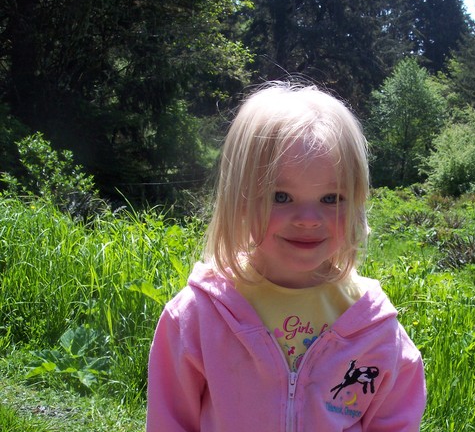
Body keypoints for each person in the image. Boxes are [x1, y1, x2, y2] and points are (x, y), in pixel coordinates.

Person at [146, 81, 427, 431]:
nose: (308, 220)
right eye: (280, 196)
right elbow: (170, 421)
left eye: (331, 199)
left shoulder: (372, 325)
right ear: (240, 199)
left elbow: (394, 420)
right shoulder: (197, 317)